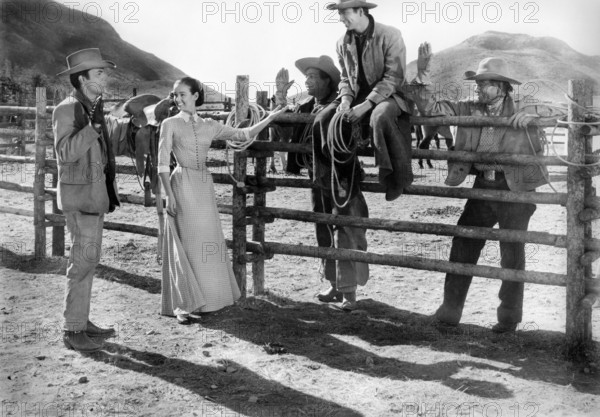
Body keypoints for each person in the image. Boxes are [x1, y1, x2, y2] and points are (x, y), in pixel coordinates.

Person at [412, 43, 549, 333]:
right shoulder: (467, 107)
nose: (479, 88)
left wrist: (535, 116)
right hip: (481, 187)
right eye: (478, 83)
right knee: (463, 242)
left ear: (502, 87)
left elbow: (560, 111)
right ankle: (449, 312)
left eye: (485, 83)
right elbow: (431, 109)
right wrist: (422, 74)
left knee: (512, 252)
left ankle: (508, 318)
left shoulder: (522, 107)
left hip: (516, 189)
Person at [158, 77, 285, 324]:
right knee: (185, 239)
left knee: (205, 241)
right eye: (175, 95)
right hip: (181, 183)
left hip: (204, 185)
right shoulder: (169, 124)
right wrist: (168, 195)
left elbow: (243, 133)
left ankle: (208, 299)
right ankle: (183, 305)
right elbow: (162, 164)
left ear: (196, 95)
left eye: (183, 94)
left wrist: (270, 118)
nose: (178, 99)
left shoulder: (209, 125)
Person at [53, 48, 128, 352]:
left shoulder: (91, 108)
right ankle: (72, 331)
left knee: (88, 261)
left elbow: (111, 145)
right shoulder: (67, 109)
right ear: (82, 77)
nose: (104, 77)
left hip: (94, 198)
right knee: (81, 263)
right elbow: (64, 153)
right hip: (80, 199)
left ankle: (80, 321)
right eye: (99, 73)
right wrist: (93, 128)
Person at [316, 0, 414, 203]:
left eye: (345, 13)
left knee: (380, 116)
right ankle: (341, 175)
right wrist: (345, 99)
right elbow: (345, 78)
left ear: (361, 11)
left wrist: (366, 105)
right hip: (356, 97)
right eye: (339, 14)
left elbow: (394, 77)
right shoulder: (341, 43)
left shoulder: (390, 34)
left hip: (391, 94)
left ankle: (395, 176)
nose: (341, 19)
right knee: (323, 118)